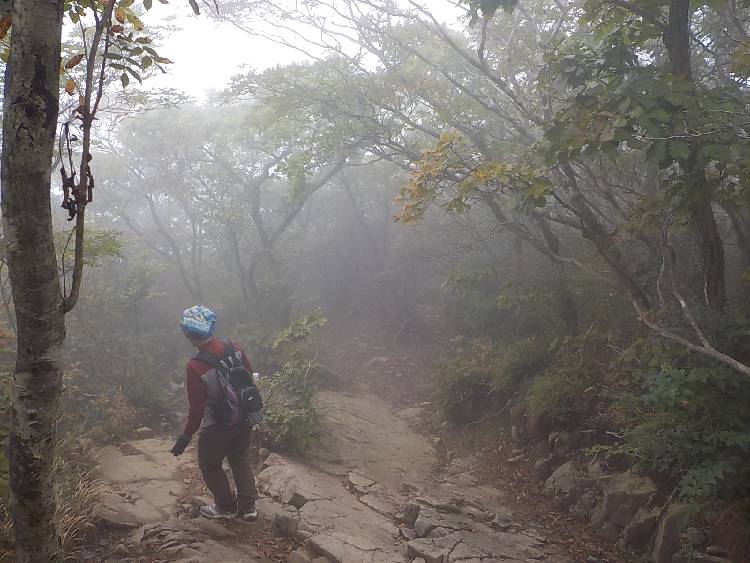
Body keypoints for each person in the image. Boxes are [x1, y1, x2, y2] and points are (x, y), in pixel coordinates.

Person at [171, 305, 259, 520]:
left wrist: (186, 436)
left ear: (188, 334)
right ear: (210, 328)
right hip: (245, 417)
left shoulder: (195, 367)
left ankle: (225, 507)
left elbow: (197, 408)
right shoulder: (235, 347)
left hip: (217, 426)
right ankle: (249, 508)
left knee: (210, 465)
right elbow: (249, 377)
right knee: (240, 458)